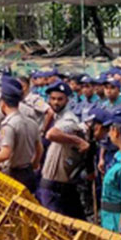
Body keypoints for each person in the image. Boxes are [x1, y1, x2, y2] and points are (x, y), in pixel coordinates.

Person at [37, 82, 88, 219]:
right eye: (53, 99)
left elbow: (51, 134)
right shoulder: (56, 116)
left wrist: (79, 141)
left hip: (57, 185)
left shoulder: (68, 119)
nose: (56, 102)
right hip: (53, 182)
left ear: (67, 100)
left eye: (60, 99)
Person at [0, 86, 41, 192]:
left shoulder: (9, 125)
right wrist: (34, 164)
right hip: (27, 172)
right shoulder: (32, 123)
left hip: (13, 174)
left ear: (3, 104)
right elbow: (39, 149)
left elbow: (5, 154)